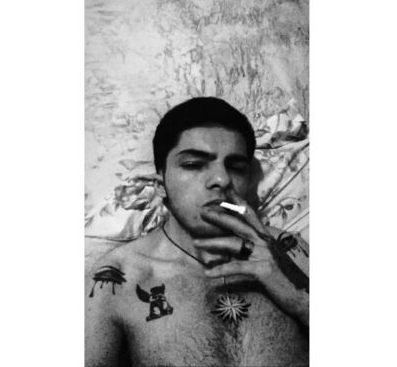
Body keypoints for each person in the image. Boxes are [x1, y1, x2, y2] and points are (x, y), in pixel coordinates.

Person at [86, 97, 309, 367]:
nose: (222, 179)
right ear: (160, 185)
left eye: (236, 167)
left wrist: (301, 300)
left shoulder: (288, 252)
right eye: (194, 164)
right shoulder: (119, 281)